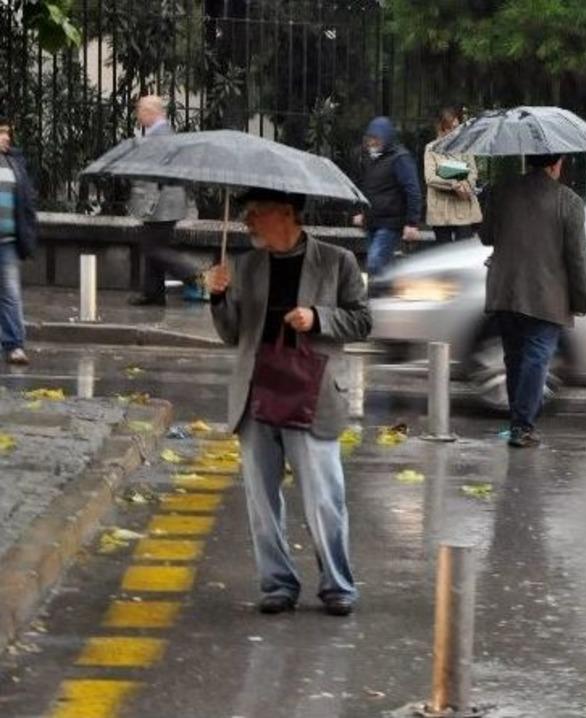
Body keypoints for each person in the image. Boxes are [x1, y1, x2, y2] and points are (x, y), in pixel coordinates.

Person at [207, 188, 371, 616]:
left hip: (311, 392)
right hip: (257, 390)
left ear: (285, 213)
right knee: (261, 499)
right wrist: (218, 296)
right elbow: (231, 334)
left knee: (324, 498)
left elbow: (362, 320)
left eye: (255, 214)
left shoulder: (337, 261)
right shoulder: (245, 265)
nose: (248, 223)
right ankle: (277, 583)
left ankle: (337, 584)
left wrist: (319, 317)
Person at [481, 154, 586, 448]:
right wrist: (580, 300)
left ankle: (518, 422)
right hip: (547, 294)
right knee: (537, 358)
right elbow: (576, 257)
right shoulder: (569, 201)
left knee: (514, 357)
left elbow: (486, 236)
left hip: (506, 289)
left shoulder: (501, 191)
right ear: (557, 164)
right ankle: (522, 426)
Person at [127, 95, 201, 306]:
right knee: (153, 246)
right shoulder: (158, 133)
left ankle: (194, 275)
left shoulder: (160, 135)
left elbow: (153, 173)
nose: (138, 114)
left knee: (153, 248)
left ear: (151, 111)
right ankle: (153, 294)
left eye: (141, 109)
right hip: (161, 204)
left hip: (161, 204)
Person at [350, 116, 422, 276]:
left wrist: (412, 223)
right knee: (382, 265)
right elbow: (361, 186)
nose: (372, 142)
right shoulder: (368, 158)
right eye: (370, 138)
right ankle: (387, 294)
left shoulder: (400, 158)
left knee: (375, 263)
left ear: (386, 137)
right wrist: (358, 211)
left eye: (376, 138)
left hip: (390, 223)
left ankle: (377, 296)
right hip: (371, 221)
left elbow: (413, 190)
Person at [0, 117, 38, 366]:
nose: (6, 138)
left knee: (11, 293)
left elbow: (26, 199)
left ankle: (14, 345)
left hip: (8, 240)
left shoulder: (14, 161)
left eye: (7, 134)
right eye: (1, 133)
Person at [423, 107, 481, 244]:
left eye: (457, 126)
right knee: (444, 254)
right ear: (442, 128)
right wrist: (454, 182)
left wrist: (466, 184)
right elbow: (430, 177)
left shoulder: (465, 147)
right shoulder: (431, 148)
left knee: (464, 251)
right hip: (440, 210)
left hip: (462, 205)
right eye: (451, 127)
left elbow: (473, 172)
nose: (455, 131)